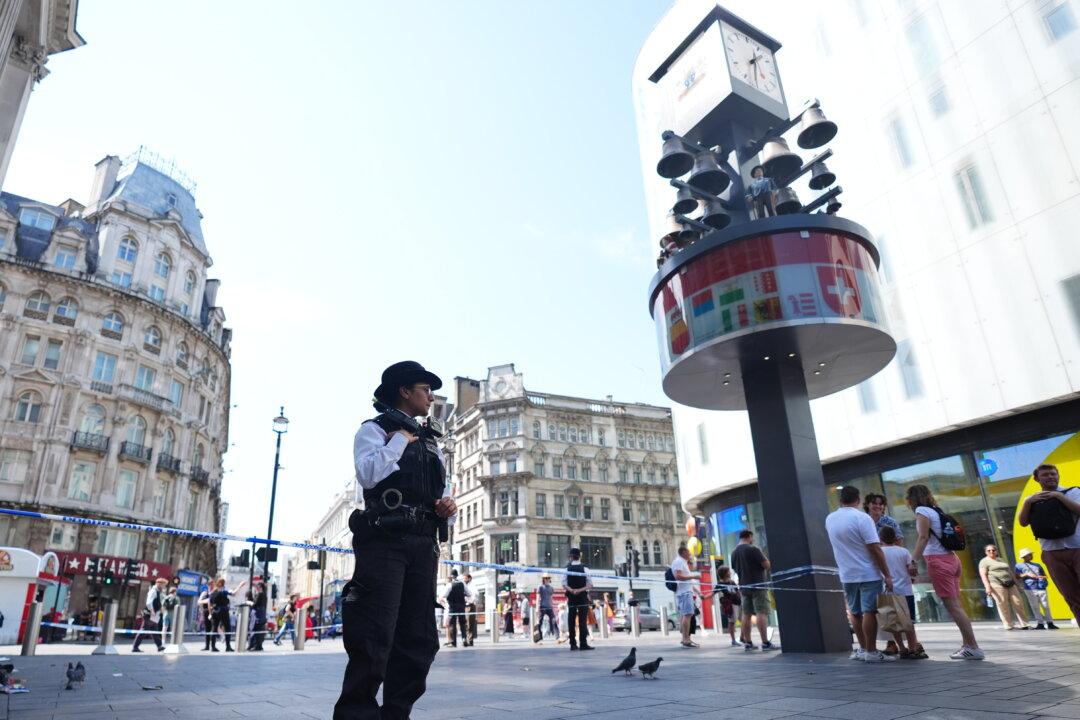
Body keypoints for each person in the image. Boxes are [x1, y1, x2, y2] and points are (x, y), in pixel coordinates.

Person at [335, 361, 457, 720]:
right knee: (374, 634)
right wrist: (400, 440)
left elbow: (442, 488)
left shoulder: (432, 442)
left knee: (419, 639)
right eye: (425, 389)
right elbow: (369, 474)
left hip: (424, 543)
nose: (431, 397)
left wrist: (447, 504)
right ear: (405, 391)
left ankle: (396, 714)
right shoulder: (375, 430)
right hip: (384, 540)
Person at [907, 484, 984, 660]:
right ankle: (967, 645)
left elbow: (923, 537)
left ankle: (973, 646)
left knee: (954, 607)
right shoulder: (936, 510)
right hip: (952, 559)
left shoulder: (922, 511)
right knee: (957, 606)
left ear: (911, 499)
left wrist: (913, 561)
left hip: (938, 561)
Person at [826, 486, 895, 663]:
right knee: (869, 611)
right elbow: (875, 548)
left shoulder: (830, 519)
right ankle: (871, 651)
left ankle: (863, 649)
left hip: (847, 574)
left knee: (854, 612)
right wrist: (887, 574)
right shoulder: (862, 518)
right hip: (868, 573)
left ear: (841, 500)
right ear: (858, 499)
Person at [1018, 464, 1080, 620]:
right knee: (1071, 597)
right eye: (1045, 475)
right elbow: (1023, 522)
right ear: (1037, 479)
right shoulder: (1032, 499)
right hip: (1051, 553)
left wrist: (1059, 496)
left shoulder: (1072, 492)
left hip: (1077, 548)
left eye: (1053, 474)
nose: (1051, 477)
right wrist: (1027, 502)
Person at [878, 525, 926, 659]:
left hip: (888, 591)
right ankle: (912, 648)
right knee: (909, 622)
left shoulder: (880, 552)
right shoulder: (904, 551)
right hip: (906, 591)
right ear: (895, 538)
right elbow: (911, 570)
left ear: (880, 538)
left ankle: (902, 648)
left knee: (893, 623)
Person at [729, 530, 776, 651]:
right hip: (758, 585)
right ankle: (765, 642)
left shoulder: (733, 553)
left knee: (746, 614)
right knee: (761, 612)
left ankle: (748, 642)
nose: (752, 540)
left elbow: (735, 568)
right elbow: (766, 565)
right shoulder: (753, 549)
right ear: (749, 537)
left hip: (744, 587)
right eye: (752, 538)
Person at [979, 544, 1032, 630]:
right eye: (989, 550)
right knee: (1003, 604)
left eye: (993, 550)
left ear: (996, 551)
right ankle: (1008, 625)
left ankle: (1024, 624)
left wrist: (1017, 583)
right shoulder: (984, 561)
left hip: (1010, 583)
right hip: (996, 584)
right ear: (986, 552)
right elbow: (983, 575)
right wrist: (987, 587)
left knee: (1018, 602)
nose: (991, 552)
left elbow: (1010, 572)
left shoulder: (1001, 560)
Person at [1015, 548, 1058, 629]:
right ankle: (1040, 623)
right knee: (1035, 606)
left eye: (1031, 554)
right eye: (1029, 554)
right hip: (1029, 588)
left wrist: (1040, 577)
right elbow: (1017, 576)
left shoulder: (1038, 565)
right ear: (1024, 556)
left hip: (1041, 587)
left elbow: (1046, 576)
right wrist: (1027, 574)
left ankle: (1050, 623)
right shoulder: (1019, 565)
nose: (1031, 556)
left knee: (1046, 606)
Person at [562, 547, 594, 650]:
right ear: (579, 556)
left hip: (571, 597)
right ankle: (583, 643)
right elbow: (590, 585)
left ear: (571, 557)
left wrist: (572, 590)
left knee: (571, 620)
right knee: (582, 620)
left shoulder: (566, 569)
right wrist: (580, 590)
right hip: (582, 597)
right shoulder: (585, 569)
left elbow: (564, 584)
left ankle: (572, 644)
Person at [670, 544, 700, 648]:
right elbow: (678, 576)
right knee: (687, 615)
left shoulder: (682, 562)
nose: (690, 554)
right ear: (683, 552)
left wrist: (697, 591)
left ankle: (685, 638)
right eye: (688, 552)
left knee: (686, 615)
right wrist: (694, 576)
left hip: (685, 591)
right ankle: (686, 639)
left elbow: (684, 578)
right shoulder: (679, 561)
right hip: (684, 592)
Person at [131, 577, 169, 653]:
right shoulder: (153, 591)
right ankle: (135, 647)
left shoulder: (158, 591)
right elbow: (149, 602)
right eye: (164, 585)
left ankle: (159, 646)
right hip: (149, 614)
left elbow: (158, 602)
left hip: (153, 615)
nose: (164, 587)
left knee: (154, 630)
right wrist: (152, 611)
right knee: (144, 630)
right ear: (159, 584)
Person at [208, 577, 246, 652]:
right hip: (223, 611)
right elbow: (234, 593)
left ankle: (213, 646)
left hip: (215, 611)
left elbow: (209, 602)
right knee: (227, 628)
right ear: (222, 584)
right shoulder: (224, 591)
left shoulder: (213, 592)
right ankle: (228, 646)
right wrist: (240, 585)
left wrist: (210, 613)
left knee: (214, 629)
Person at [442, 570, 470, 647]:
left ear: (451, 576)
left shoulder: (449, 585)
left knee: (452, 624)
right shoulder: (462, 583)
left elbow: (444, 595)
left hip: (452, 607)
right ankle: (464, 639)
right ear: (457, 575)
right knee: (462, 623)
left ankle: (454, 642)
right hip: (461, 606)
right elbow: (469, 593)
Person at [715, 566, 741, 647]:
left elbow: (737, 591)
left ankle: (743, 638)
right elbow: (713, 592)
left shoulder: (732, 582)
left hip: (738, 603)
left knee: (742, 620)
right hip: (730, 605)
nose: (730, 572)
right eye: (728, 571)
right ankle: (733, 640)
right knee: (732, 622)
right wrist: (704, 597)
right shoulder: (720, 584)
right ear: (725, 573)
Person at [537, 574, 558, 641]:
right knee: (540, 622)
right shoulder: (540, 587)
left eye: (548, 578)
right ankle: (539, 636)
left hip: (549, 607)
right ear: (543, 579)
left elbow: (551, 598)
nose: (547, 579)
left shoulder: (551, 588)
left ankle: (557, 635)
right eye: (545, 578)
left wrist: (553, 607)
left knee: (553, 620)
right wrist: (537, 608)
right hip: (542, 606)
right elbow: (538, 597)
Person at [249, 580, 268, 650]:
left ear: (260, 587)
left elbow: (255, 604)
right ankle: (259, 646)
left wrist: (250, 603)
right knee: (260, 629)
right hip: (262, 613)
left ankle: (256, 645)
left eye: (257, 586)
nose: (256, 587)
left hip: (258, 614)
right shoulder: (265, 595)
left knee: (255, 629)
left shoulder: (260, 594)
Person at [197, 582, 214, 651]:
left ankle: (213, 645)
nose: (211, 586)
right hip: (206, 612)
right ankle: (207, 646)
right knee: (207, 629)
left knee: (213, 629)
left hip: (214, 612)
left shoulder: (215, 593)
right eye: (209, 585)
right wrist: (207, 601)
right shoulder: (204, 593)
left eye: (212, 584)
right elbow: (199, 601)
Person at [462, 573, 478, 644]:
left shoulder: (472, 586)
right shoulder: (464, 585)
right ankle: (466, 639)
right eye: (463, 578)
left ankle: (470, 640)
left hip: (470, 606)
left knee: (470, 623)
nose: (464, 580)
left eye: (465, 578)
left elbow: (475, 595)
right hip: (464, 606)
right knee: (465, 623)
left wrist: (470, 600)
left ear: (469, 578)